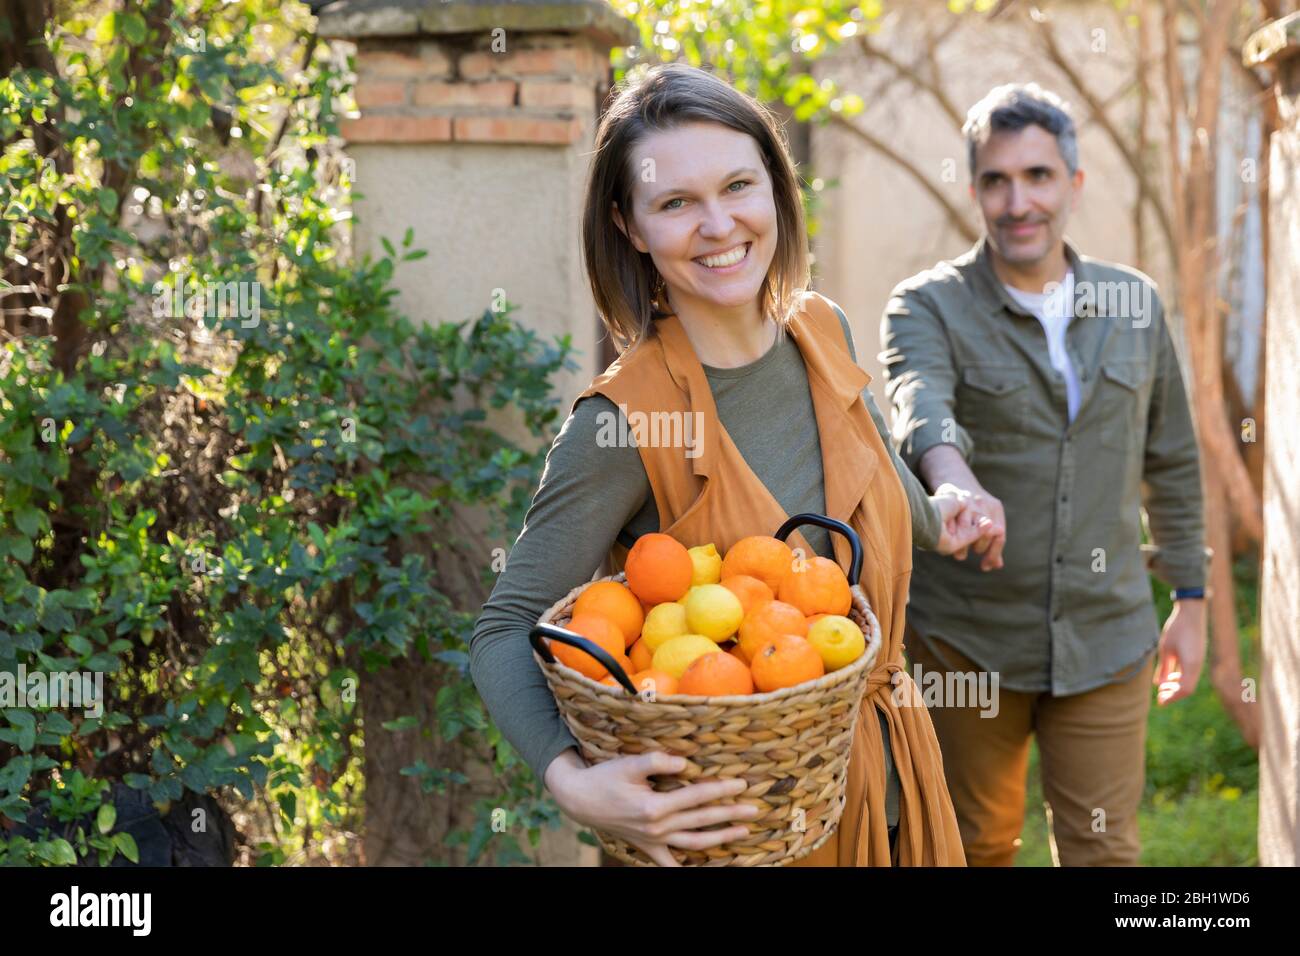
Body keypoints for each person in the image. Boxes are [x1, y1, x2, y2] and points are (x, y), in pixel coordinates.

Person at [469, 62, 994, 867]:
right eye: (676, 203)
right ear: (631, 226)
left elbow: (871, 474)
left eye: (737, 186)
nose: (718, 224)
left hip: (896, 792)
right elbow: (504, 630)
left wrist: (946, 508)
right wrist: (573, 782)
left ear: (776, 192)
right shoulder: (624, 422)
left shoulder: (822, 331)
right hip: (743, 833)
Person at [879, 83, 1209, 866]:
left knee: (1103, 850)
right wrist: (953, 478)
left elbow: (1171, 458)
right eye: (996, 180)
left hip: (1106, 638)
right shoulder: (927, 307)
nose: (1017, 201)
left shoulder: (1134, 304)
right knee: (968, 847)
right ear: (975, 191)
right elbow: (919, 404)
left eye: (1037, 177)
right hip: (965, 641)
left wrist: (1190, 600)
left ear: (1073, 184)